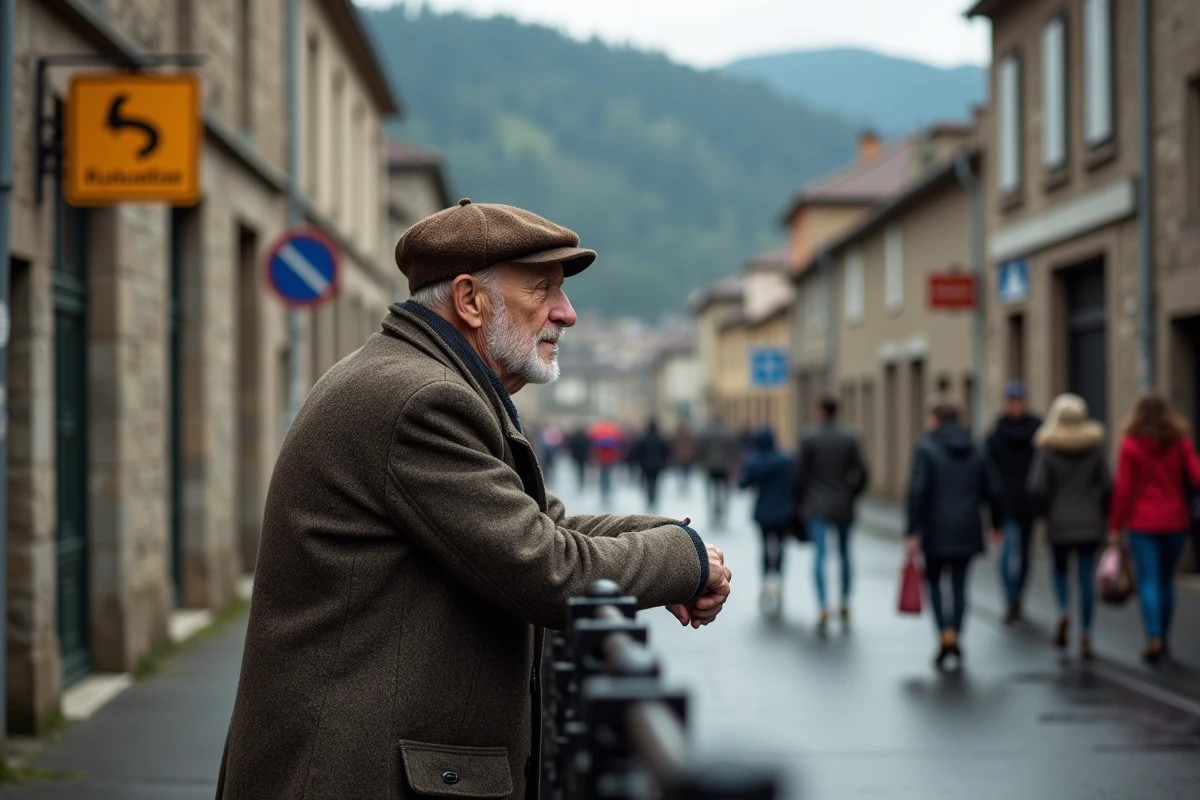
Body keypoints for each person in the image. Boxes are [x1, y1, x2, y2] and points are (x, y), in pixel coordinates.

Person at [216, 200, 733, 800]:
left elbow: (540, 523)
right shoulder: (422, 399)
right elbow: (548, 569)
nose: (566, 313)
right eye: (543, 290)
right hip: (349, 775)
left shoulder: (428, 377)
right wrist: (683, 560)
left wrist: (678, 537)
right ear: (469, 300)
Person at [905, 401, 999, 671]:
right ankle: (956, 634)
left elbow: (917, 490)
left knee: (935, 583)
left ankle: (943, 634)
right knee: (960, 586)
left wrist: (912, 530)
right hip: (967, 526)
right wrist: (995, 523)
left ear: (935, 420)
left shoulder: (926, 448)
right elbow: (991, 488)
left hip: (935, 528)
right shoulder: (977, 447)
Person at [1108, 392, 1200, 664]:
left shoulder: (1131, 445)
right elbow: (1196, 477)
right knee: (1165, 580)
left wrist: (1115, 525)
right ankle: (1165, 636)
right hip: (1175, 520)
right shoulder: (1179, 441)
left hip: (1142, 522)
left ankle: (1154, 637)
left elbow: (1124, 490)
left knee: (1148, 580)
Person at [1026, 394, 1109, 660]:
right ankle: (1086, 632)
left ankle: (1063, 609)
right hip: (1090, 522)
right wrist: (1099, 509)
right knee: (1086, 577)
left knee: (1060, 571)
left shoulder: (1048, 448)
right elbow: (1107, 484)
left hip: (1059, 521)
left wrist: (1044, 512)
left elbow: (1037, 487)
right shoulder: (1095, 447)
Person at [794, 396, 869, 634]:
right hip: (844, 504)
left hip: (817, 505)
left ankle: (823, 605)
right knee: (845, 553)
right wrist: (852, 493)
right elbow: (863, 471)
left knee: (820, 555)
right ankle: (845, 602)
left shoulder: (809, 437)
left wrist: (801, 500)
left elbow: (800, 474)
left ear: (820, 411)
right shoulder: (850, 437)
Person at [984, 381, 1043, 624]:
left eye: (1019, 401)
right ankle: (1010, 598)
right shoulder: (996, 434)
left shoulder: (1039, 431)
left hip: (1028, 502)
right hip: (1005, 503)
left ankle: (1018, 596)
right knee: (1008, 553)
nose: (1016, 405)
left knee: (1027, 553)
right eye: (1012, 401)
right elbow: (989, 473)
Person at [738, 427, 796, 618]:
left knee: (764, 546)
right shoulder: (786, 460)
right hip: (783, 512)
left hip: (763, 512)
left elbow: (743, 483)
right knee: (780, 545)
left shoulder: (754, 461)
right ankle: (778, 579)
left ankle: (765, 580)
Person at [696, 416, 742, 525]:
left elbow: (700, 449)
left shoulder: (706, 433)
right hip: (724, 466)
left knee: (711, 489)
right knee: (725, 488)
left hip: (710, 465)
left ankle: (712, 509)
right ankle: (723, 508)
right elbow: (733, 449)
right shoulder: (727, 433)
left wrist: (702, 461)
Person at [630, 419, 672, 510]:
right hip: (657, 464)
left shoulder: (643, 438)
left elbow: (637, 451)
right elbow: (666, 451)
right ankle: (653, 497)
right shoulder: (660, 438)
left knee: (648, 480)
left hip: (645, 464)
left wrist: (638, 461)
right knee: (655, 481)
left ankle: (649, 497)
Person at [671, 420, 698, 489]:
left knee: (680, 470)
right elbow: (693, 446)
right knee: (686, 471)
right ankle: (685, 483)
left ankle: (682, 484)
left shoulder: (677, 435)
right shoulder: (690, 435)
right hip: (688, 456)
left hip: (680, 456)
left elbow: (674, 446)